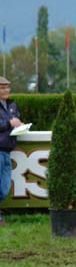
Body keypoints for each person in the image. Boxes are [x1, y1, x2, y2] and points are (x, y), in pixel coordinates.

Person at [0, 76, 22, 226]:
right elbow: (6, 123)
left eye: (7, 87)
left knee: (4, 188)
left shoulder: (12, 105)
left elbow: (17, 119)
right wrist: (9, 123)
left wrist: (19, 125)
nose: (6, 90)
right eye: (2, 87)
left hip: (7, 151)